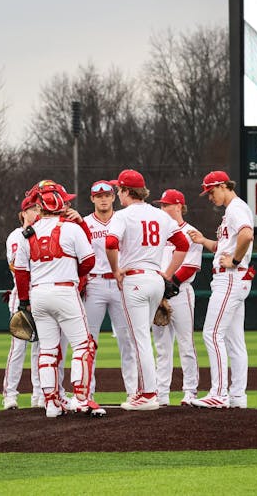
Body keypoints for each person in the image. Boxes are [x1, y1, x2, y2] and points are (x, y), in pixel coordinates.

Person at [13, 180, 106, 418]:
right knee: (84, 346)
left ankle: (52, 404)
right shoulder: (71, 228)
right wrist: (71, 268)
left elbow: (21, 273)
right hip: (65, 291)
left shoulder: (26, 234)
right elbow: (89, 261)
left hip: (39, 293)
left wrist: (24, 302)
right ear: (57, 202)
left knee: (48, 350)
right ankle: (83, 399)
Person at [105, 169, 189, 411]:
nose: (117, 194)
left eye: (118, 189)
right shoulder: (160, 216)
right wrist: (167, 274)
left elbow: (110, 244)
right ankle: (146, 391)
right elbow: (182, 244)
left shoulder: (123, 216)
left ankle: (149, 395)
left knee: (138, 338)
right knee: (143, 337)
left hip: (135, 280)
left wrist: (115, 270)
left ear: (126, 191)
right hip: (155, 279)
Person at [188, 171, 255, 409]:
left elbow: (247, 235)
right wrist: (203, 241)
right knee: (234, 341)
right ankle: (237, 396)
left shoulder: (236, 208)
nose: (210, 197)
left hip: (231, 277)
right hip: (236, 278)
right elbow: (224, 246)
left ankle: (218, 393)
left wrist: (235, 261)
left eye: (212, 191)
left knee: (211, 333)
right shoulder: (233, 210)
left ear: (224, 185)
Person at [82, 180, 137, 402]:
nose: (103, 198)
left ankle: (133, 392)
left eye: (107, 194)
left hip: (119, 283)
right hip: (94, 283)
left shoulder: (124, 220)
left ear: (114, 197)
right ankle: (87, 392)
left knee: (127, 339)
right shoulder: (84, 223)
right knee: (89, 340)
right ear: (92, 198)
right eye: (99, 195)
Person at [152, 189, 202, 406]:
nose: (162, 209)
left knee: (186, 344)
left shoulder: (191, 232)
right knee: (162, 347)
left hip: (180, 293)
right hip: (158, 293)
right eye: (161, 205)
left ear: (179, 206)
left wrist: (166, 288)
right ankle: (161, 393)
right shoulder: (159, 233)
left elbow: (190, 267)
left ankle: (190, 391)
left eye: (167, 205)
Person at [2, 195, 44, 410]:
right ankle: (10, 394)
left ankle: (39, 395)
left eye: (39, 208)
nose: (37, 212)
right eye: (33, 208)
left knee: (41, 347)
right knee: (18, 347)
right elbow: (17, 267)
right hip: (22, 294)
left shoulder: (44, 233)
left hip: (42, 293)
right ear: (24, 213)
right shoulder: (16, 236)